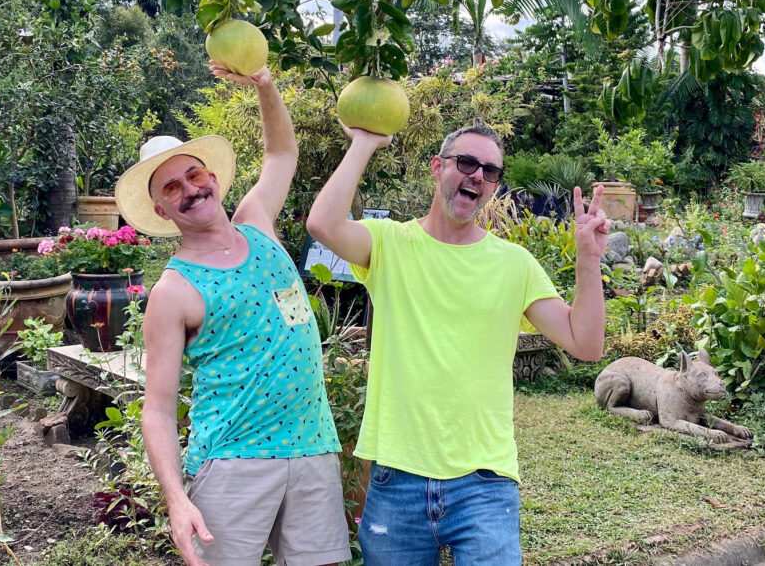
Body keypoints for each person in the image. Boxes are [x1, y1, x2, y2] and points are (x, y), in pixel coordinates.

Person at [306, 121, 609, 566]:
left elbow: (586, 344)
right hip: (397, 477)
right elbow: (322, 223)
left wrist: (588, 259)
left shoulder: (514, 264)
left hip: (485, 481)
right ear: (437, 167)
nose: (477, 176)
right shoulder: (391, 244)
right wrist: (365, 143)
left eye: (490, 171)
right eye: (466, 162)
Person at [116, 64, 350, 566]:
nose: (189, 189)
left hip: (312, 447)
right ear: (161, 210)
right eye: (171, 188)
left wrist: (265, 84)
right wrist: (176, 500)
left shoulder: (258, 223)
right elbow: (156, 408)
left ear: (213, 178)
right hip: (233, 460)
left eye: (193, 175)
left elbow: (281, 153)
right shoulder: (175, 290)